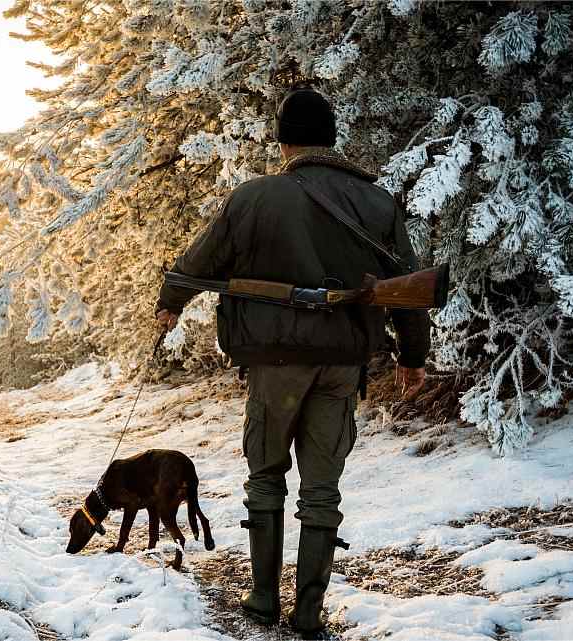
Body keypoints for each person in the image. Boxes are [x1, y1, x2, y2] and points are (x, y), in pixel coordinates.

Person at [154, 88, 431, 639]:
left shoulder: (253, 197)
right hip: (341, 365)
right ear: (332, 138)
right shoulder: (377, 204)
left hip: (275, 362)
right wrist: (412, 355)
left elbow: (197, 260)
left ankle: (262, 597)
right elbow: (406, 287)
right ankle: (308, 611)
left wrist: (169, 303)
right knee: (323, 487)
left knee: (265, 473)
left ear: (283, 140)